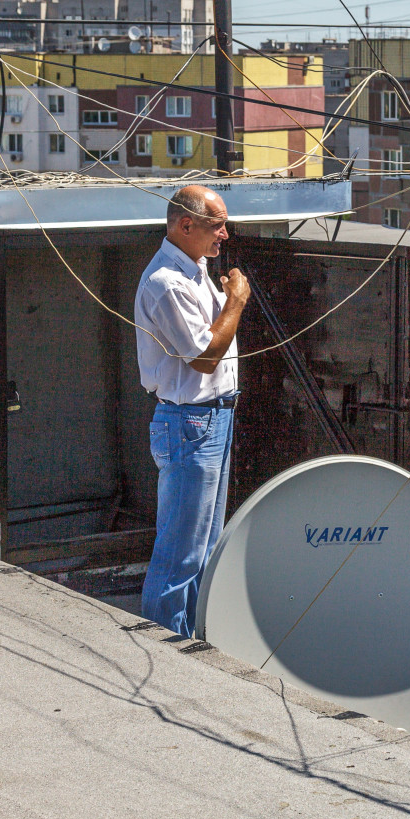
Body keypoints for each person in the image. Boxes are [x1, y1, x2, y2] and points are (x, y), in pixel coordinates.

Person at [135, 184, 251, 635]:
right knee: (180, 550)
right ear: (186, 225)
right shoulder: (166, 282)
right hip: (190, 422)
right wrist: (236, 302)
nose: (225, 234)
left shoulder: (196, 267)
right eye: (216, 225)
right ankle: (163, 644)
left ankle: (190, 638)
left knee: (204, 547)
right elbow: (204, 355)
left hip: (213, 417)